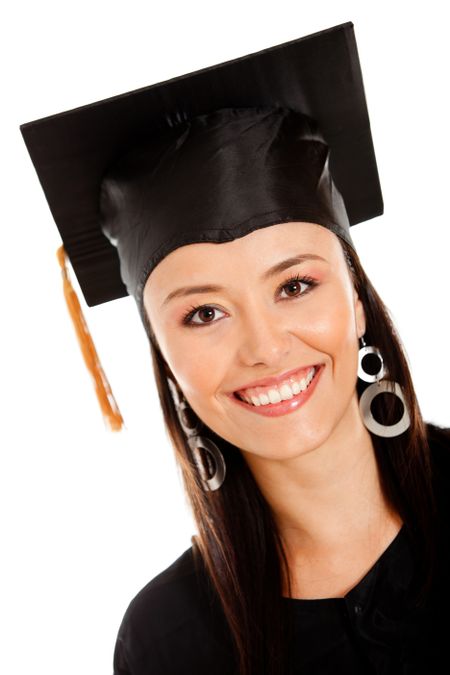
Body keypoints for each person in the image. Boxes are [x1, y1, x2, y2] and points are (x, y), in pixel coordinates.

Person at [20, 21, 450, 675]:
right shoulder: (166, 642)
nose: (265, 346)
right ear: (163, 354)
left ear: (356, 299)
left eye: (296, 284)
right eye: (204, 312)